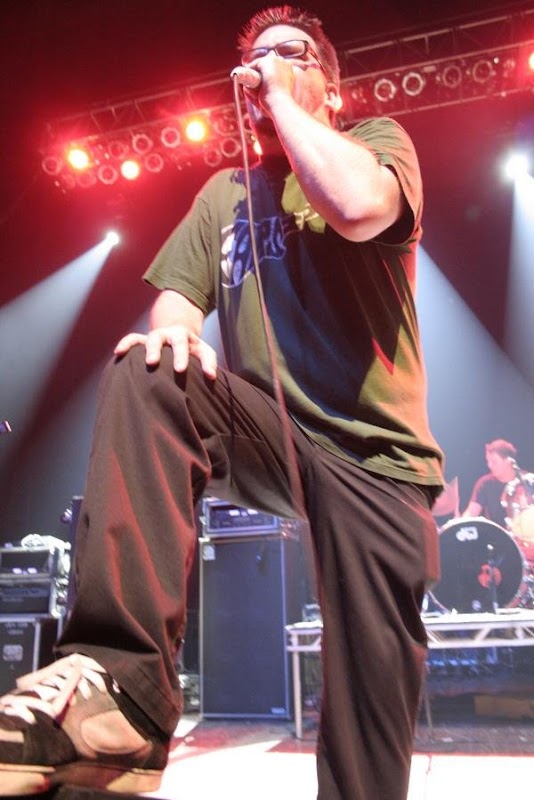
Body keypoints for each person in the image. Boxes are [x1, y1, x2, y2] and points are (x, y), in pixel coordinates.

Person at [0, 6, 444, 799]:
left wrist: (285, 101)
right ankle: (122, 687)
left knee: (369, 734)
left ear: (330, 85)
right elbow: (176, 304)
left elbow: (357, 208)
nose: (268, 66)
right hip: (273, 434)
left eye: (292, 54)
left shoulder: (377, 142)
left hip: (377, 462)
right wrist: (178, 336)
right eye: (258, 58)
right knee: (147, 370)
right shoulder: (223, 194)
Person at [462, 439, 521, 529]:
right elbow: (471, 512)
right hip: (495, 536)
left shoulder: (526, 481)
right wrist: (459, 524)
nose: (489, 465)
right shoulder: (485, 483)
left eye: (494, 461)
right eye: (488, 461)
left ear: (508, 461)